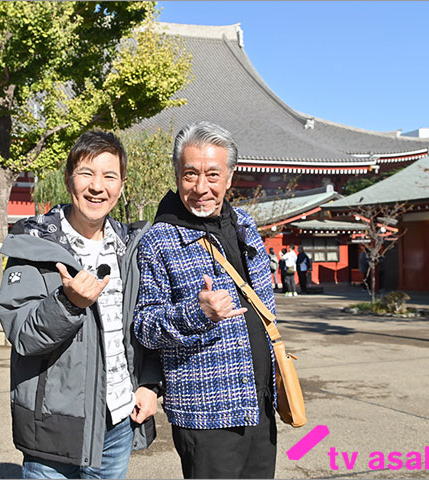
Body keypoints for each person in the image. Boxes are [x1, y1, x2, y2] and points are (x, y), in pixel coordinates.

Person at [0, 130, 162, 479]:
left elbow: (145, 324)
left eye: (109, 176)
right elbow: (23, 334)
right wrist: (67, 303)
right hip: (55, 424)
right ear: (69, 177)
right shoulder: (34, 245)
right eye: (86, 173)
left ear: (122, 185)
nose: (97, 186)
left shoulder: (131, 248)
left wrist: (149, 383)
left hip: (118, 419)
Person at [134, 122, 277, 479]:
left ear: (230, 176)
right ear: (177, 175)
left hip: (260, 403)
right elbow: (145, 326)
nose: (201, 188)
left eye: (213, 174)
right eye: (190, 174)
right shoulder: (159, 241)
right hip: (206, 411)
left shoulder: (244, 225)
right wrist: (197, 313)